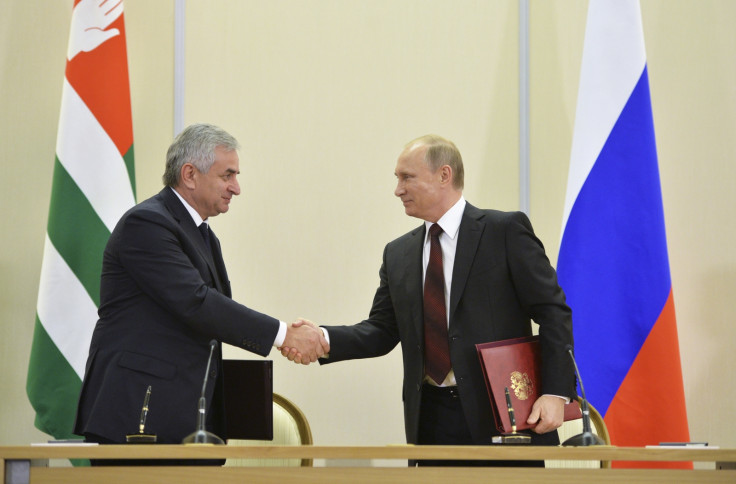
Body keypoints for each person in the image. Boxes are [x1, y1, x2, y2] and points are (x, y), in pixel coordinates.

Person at [283, 134, 575, 466]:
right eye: (397, 179)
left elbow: (553, 312)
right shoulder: (399, 253)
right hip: (431, 419)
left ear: (444, 175)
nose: (397, 189)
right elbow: (381, 331)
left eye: (407, 177)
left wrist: (555, 393)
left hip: (502, 415)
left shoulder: (503, 231)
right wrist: (322, 337)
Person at [74, 124, 328, 451]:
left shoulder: (203, 235)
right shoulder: (147, 224)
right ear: (190, 174)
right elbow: (196, 303)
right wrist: (283, 335)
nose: (236, 188)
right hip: (140, 416)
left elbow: (210, 320)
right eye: (227, 176)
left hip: (187, 420)